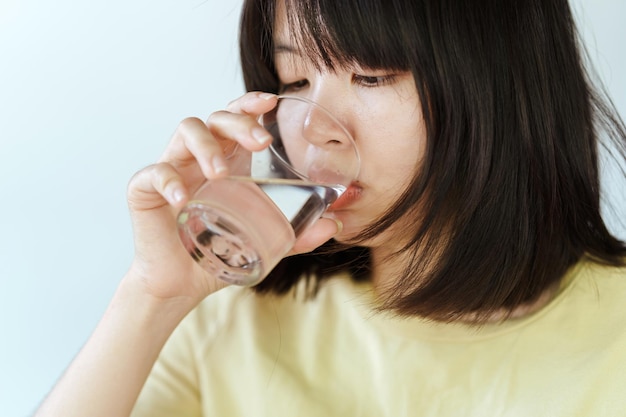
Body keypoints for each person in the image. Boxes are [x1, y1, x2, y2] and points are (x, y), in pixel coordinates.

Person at [35, 0, 626, 416]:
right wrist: (151, 298)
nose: (317, 131)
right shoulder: (230, 322)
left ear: (502, 82)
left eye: (370, 76)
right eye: (294, 81)